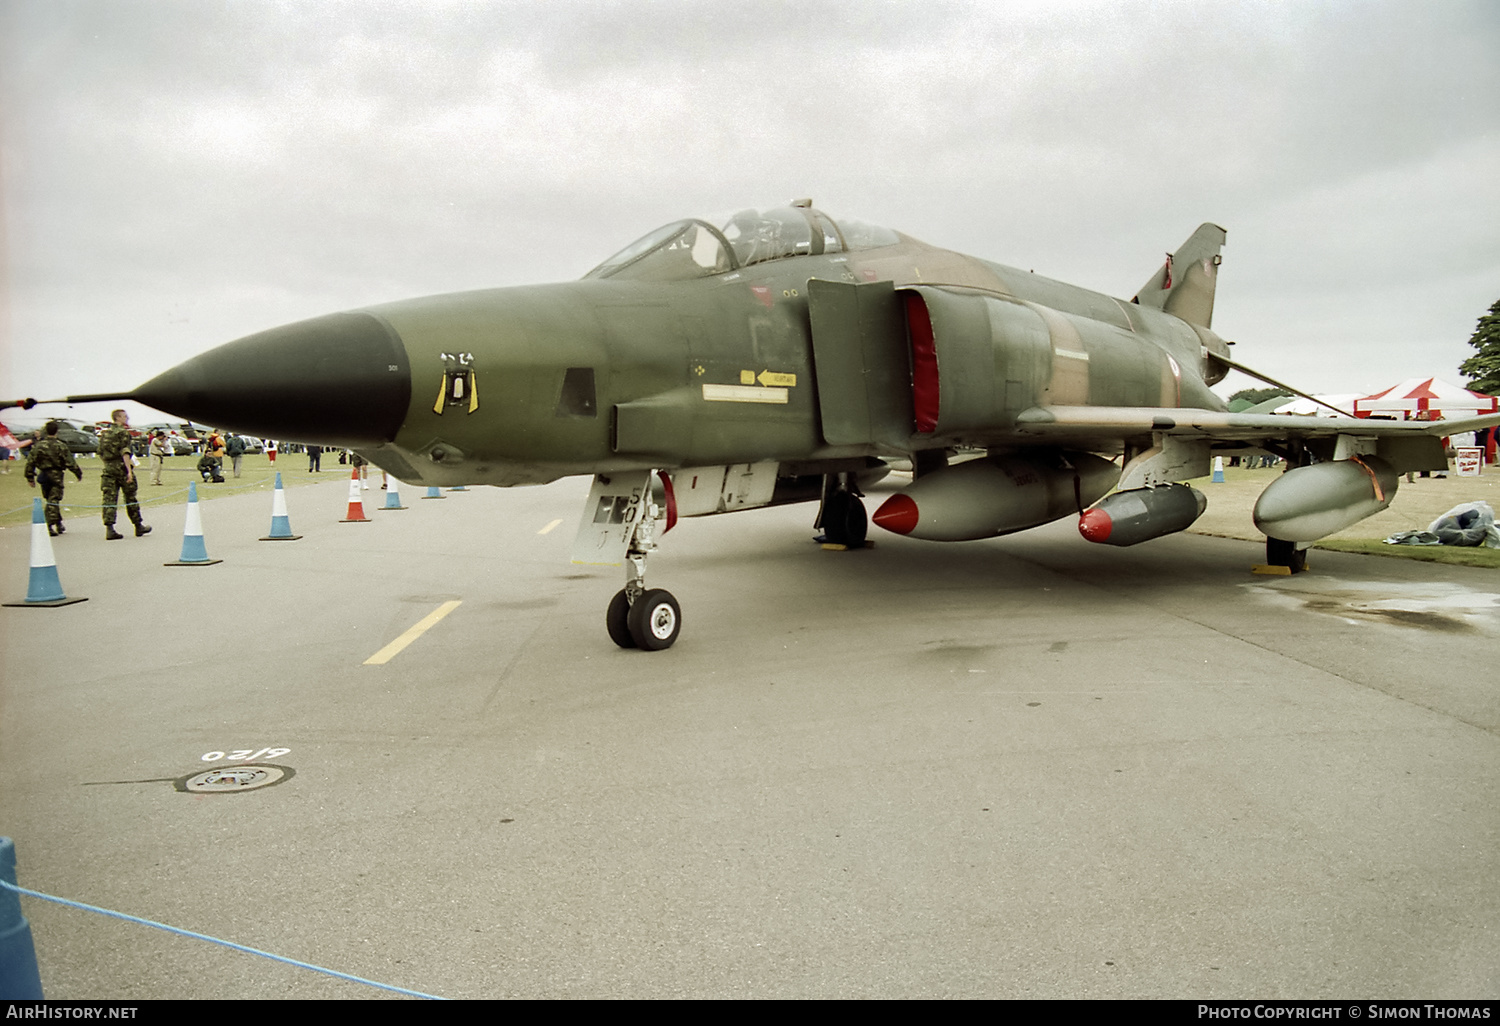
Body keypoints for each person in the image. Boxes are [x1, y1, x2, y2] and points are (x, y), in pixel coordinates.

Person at [98, 409, 151, 540]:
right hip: (121, 467)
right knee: (130, 497)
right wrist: (128, 471)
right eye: (124, 417)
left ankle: (109, 529)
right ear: (118, 418)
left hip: (108, 468)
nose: (127, 419)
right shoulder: (123, 433)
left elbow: (100, 451)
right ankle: (138, 526)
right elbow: (125, 452)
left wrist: (108, 464)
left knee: (109, 499)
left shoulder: (105, 434)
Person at [24, 421, 84, 536]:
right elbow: (70, 462)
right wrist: (78, 473)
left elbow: (30, 462)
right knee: (54, 500)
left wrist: (30, 477)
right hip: (56, 475)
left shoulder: (38, 446)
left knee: (51, 500)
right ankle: (50, 525)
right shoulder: (61, 445)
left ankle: (58, 523)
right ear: (57, 431)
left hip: (44, 475)